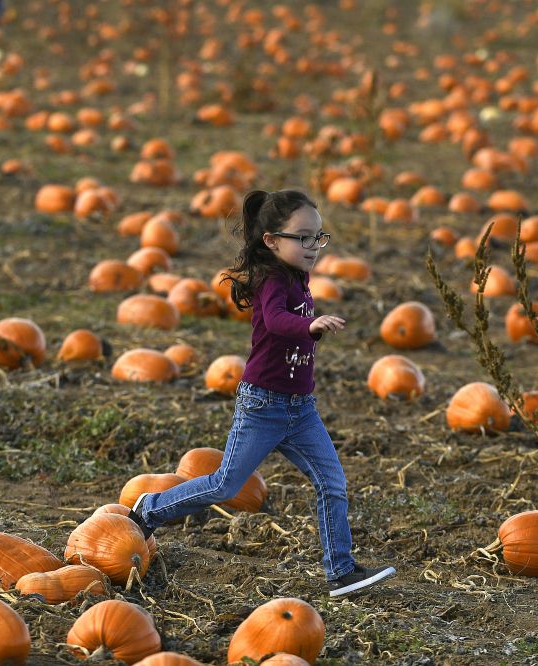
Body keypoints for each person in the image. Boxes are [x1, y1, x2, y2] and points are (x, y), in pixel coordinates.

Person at [128, 189, 396, 597]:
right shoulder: (271, 279)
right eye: (302, 237)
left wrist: (311, 334)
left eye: (318, 238)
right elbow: (274, 321)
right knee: (225, 486)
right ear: (272, 240)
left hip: (302, 409)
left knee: (332, 483)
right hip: (263, 406)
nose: (313, 247)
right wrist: (308, 327)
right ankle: (148, 510)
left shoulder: (298, 277)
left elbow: (293, 336)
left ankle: (341, 571)